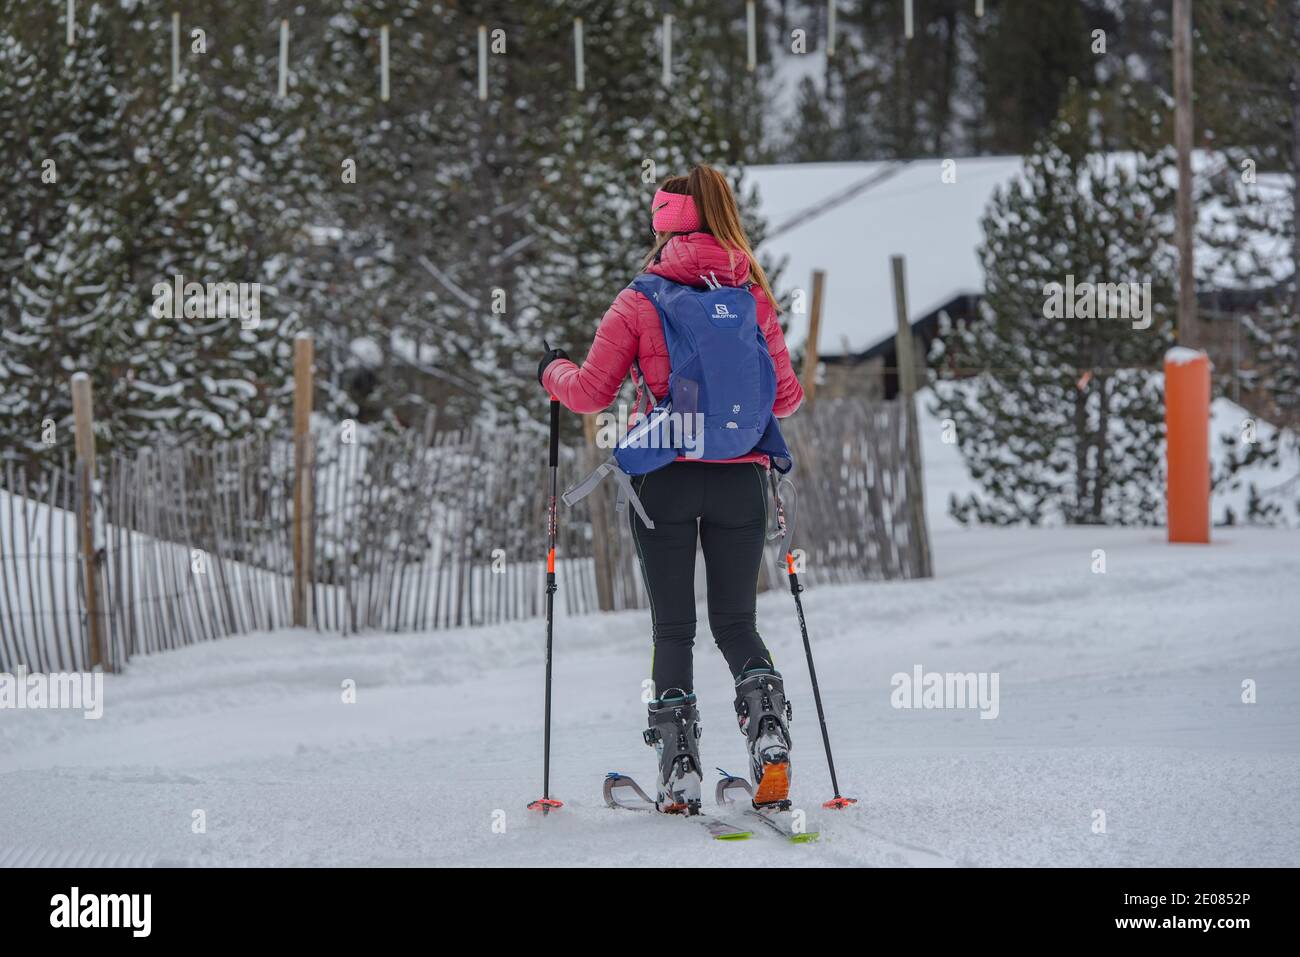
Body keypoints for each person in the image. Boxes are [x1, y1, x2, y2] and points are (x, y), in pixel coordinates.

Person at [537, 165, 804, 811]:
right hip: (741, 478)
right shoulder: (752, 296)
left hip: (665, 478)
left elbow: (592, 392)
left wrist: (551, 370)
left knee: (674, 627)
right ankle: (768, 726)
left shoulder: (640, 297)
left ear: (663, 221)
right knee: (737, 621)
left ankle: (679, 765)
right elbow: (788, 399)